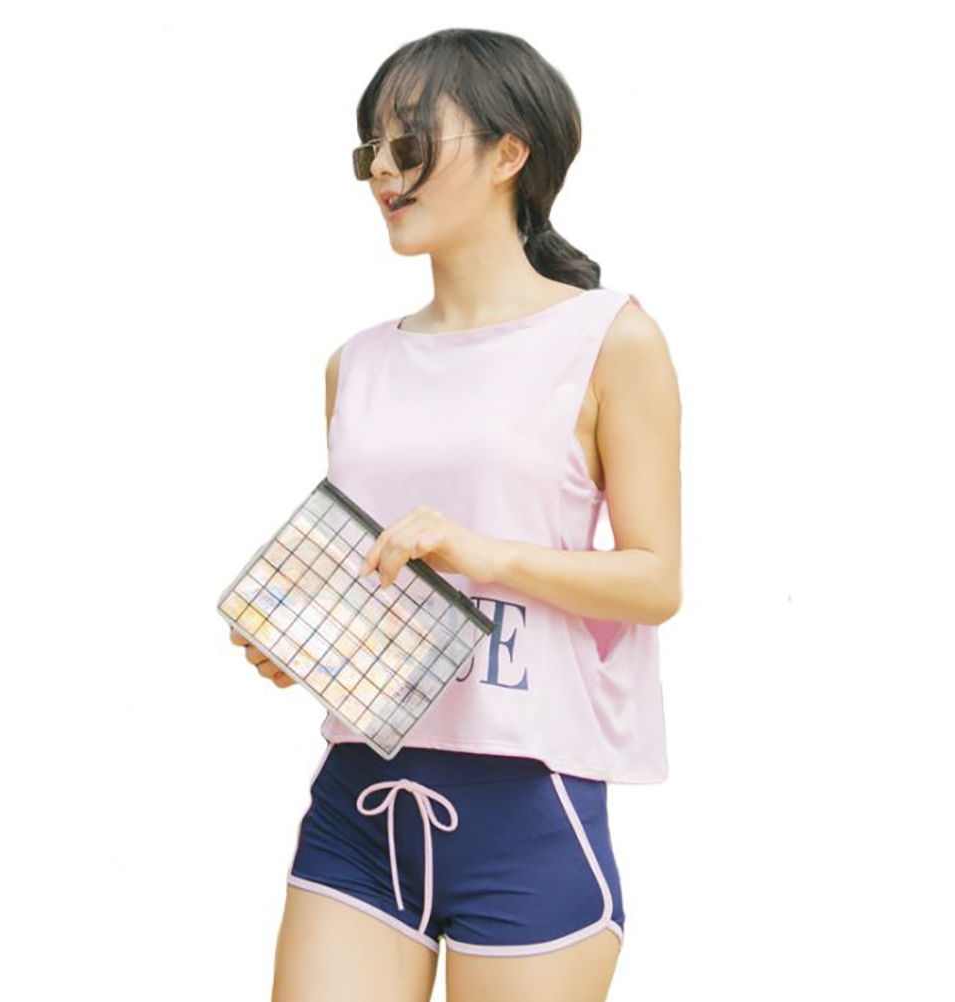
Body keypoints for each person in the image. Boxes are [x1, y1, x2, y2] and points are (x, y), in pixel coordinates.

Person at [233, 26, 682, 1002]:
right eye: (371, 150)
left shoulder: (610, 338)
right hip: (358, 798)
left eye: (410, 143)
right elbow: (382, 578)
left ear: (510, 152)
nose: (382, 171)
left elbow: (655, 580)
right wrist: (304, 638)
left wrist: (481, 551)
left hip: (529, 805)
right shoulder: (356, 363)